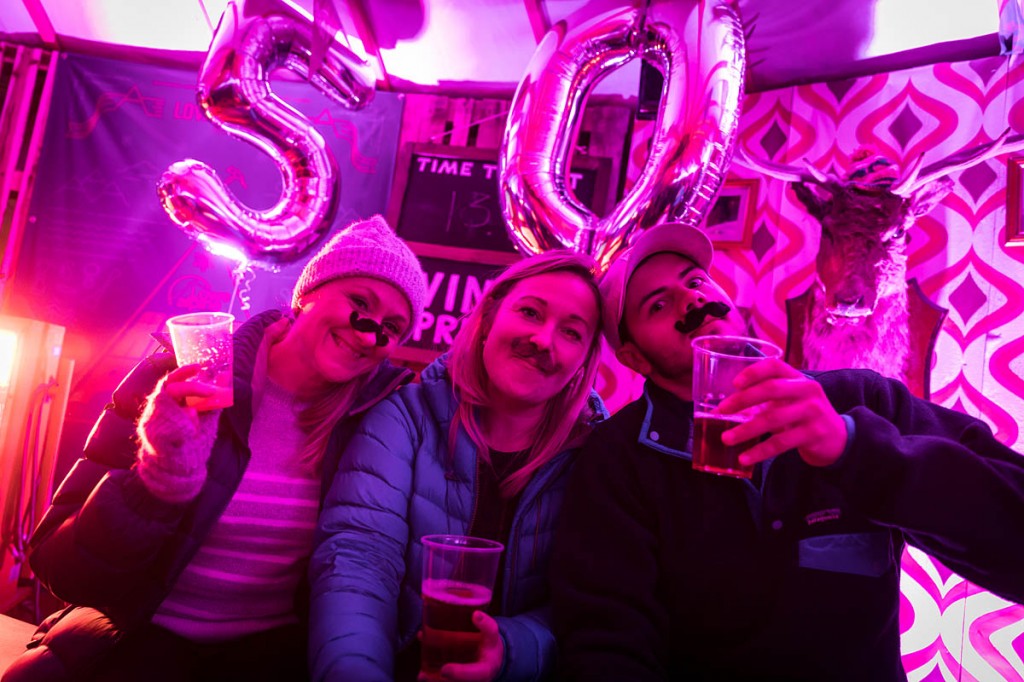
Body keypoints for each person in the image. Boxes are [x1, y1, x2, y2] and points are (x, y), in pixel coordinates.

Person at [549, 222, 1024, 681]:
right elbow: (607, 643)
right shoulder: (618, 458)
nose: (691, 299)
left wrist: (852, 448)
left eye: (695, 281)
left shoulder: (862, 400)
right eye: (658, 304)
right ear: (634, 358)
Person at [5, 215, 427, 682]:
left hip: (269, 658)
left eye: (393, 326)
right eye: (359, 302)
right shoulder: (182, 377)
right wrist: (156, 484)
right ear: (307, 295)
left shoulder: (376, 422)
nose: (369, 332)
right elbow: (60, 568)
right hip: (138, 637)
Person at [308, 250, 607, 682]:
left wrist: (509, 651)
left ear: (585, 359)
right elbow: (359, 558)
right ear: (489, 318)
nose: (543, 340)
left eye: (572, 333)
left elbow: (589, 603)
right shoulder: (406, 417)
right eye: (529, 312)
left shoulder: (596, 455)